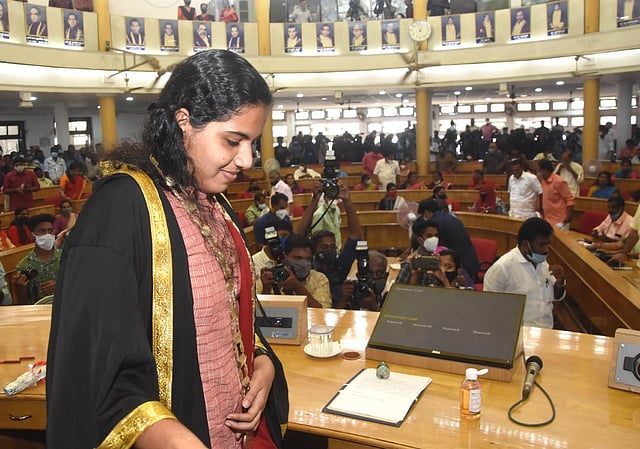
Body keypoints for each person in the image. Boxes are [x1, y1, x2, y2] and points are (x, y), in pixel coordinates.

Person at [46, 50, 284, 449]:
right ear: (184, 121)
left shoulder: (213, 202)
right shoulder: (119, 210)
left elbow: (224, 315)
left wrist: (262, 361)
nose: (246, 159)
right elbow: (95, 372)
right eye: (233, 140)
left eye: (252, 143)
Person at [484, 217, 567, 329]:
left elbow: (556, 297)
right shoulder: (502, 268)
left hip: (547, 330)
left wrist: (560, 283)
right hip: (518, 332)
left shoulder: (543, 264)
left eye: (548, 244)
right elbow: (488, 308)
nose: (546, 249)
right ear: (525, 244)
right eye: (541, 245)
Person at [298, 180, 362, 307]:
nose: (329, 250)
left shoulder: (339, 266)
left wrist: (347, 201)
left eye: (332, 247)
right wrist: (315, 200)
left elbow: (355, 235)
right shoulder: (306, 268)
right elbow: (298, 237)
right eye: (324, 247)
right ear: (314, 250)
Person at [257, 233, 332, 309]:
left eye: (307, 259)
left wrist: (297, 287)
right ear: (285, 258)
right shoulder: (273, 276)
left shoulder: (319, 279)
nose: (303, 263)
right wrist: (266, 290)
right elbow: (257, 311)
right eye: (298, 258)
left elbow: (321, 312)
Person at [418, 198, 480, 280]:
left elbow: (436, 250)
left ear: (426, 213)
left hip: (461, 269)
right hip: (470, 262)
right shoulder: (449, 217)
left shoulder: (434, 224)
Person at [13, 214, 61, 304]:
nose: (47, 235)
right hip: (38, 309)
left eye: (50, 231)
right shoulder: (24, 266)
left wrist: (60, 286)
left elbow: (79, 286)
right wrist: (20, 290)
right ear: (32, 235)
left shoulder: (65, 258)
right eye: (42, 231)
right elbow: (23, 304)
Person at [537, 159, 574, 230]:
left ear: (545, 170)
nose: (538, 173)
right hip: (547, 220)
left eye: (539, 171)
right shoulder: (543, 181)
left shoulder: (559, 181)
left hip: (560, 221)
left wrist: (567, 219)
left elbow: (570, 200)